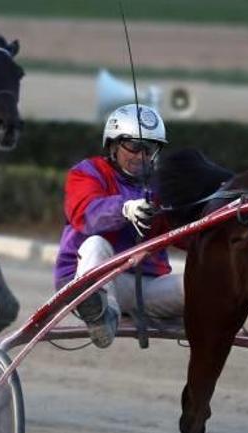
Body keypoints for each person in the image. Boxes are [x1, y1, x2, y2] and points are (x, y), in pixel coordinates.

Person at [54, 103, 181, 348]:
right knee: (96, 244)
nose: (140, 156)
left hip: (144, 286)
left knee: (199, 281)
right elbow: (86, 215)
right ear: (113, 144)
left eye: (149, 148)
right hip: (87, 278)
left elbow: (184, 236)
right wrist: (125, 208)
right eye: (133, 146)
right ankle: (99, 311)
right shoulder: (87, 172)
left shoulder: (160, 187)